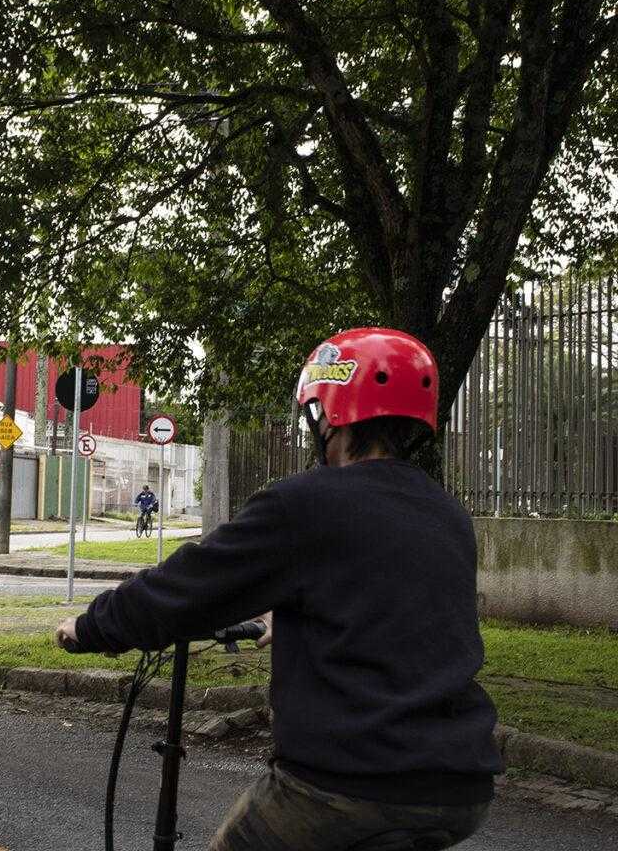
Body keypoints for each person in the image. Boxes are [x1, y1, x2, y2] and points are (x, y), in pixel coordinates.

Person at [56, 328, 501, 851]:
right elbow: (388, 605)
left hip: (349, 784)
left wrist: (90, 626)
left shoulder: (306, 503)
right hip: (459, 784)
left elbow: (190, 586)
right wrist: (285, 615)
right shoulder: (444, 512)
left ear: (330, 413)